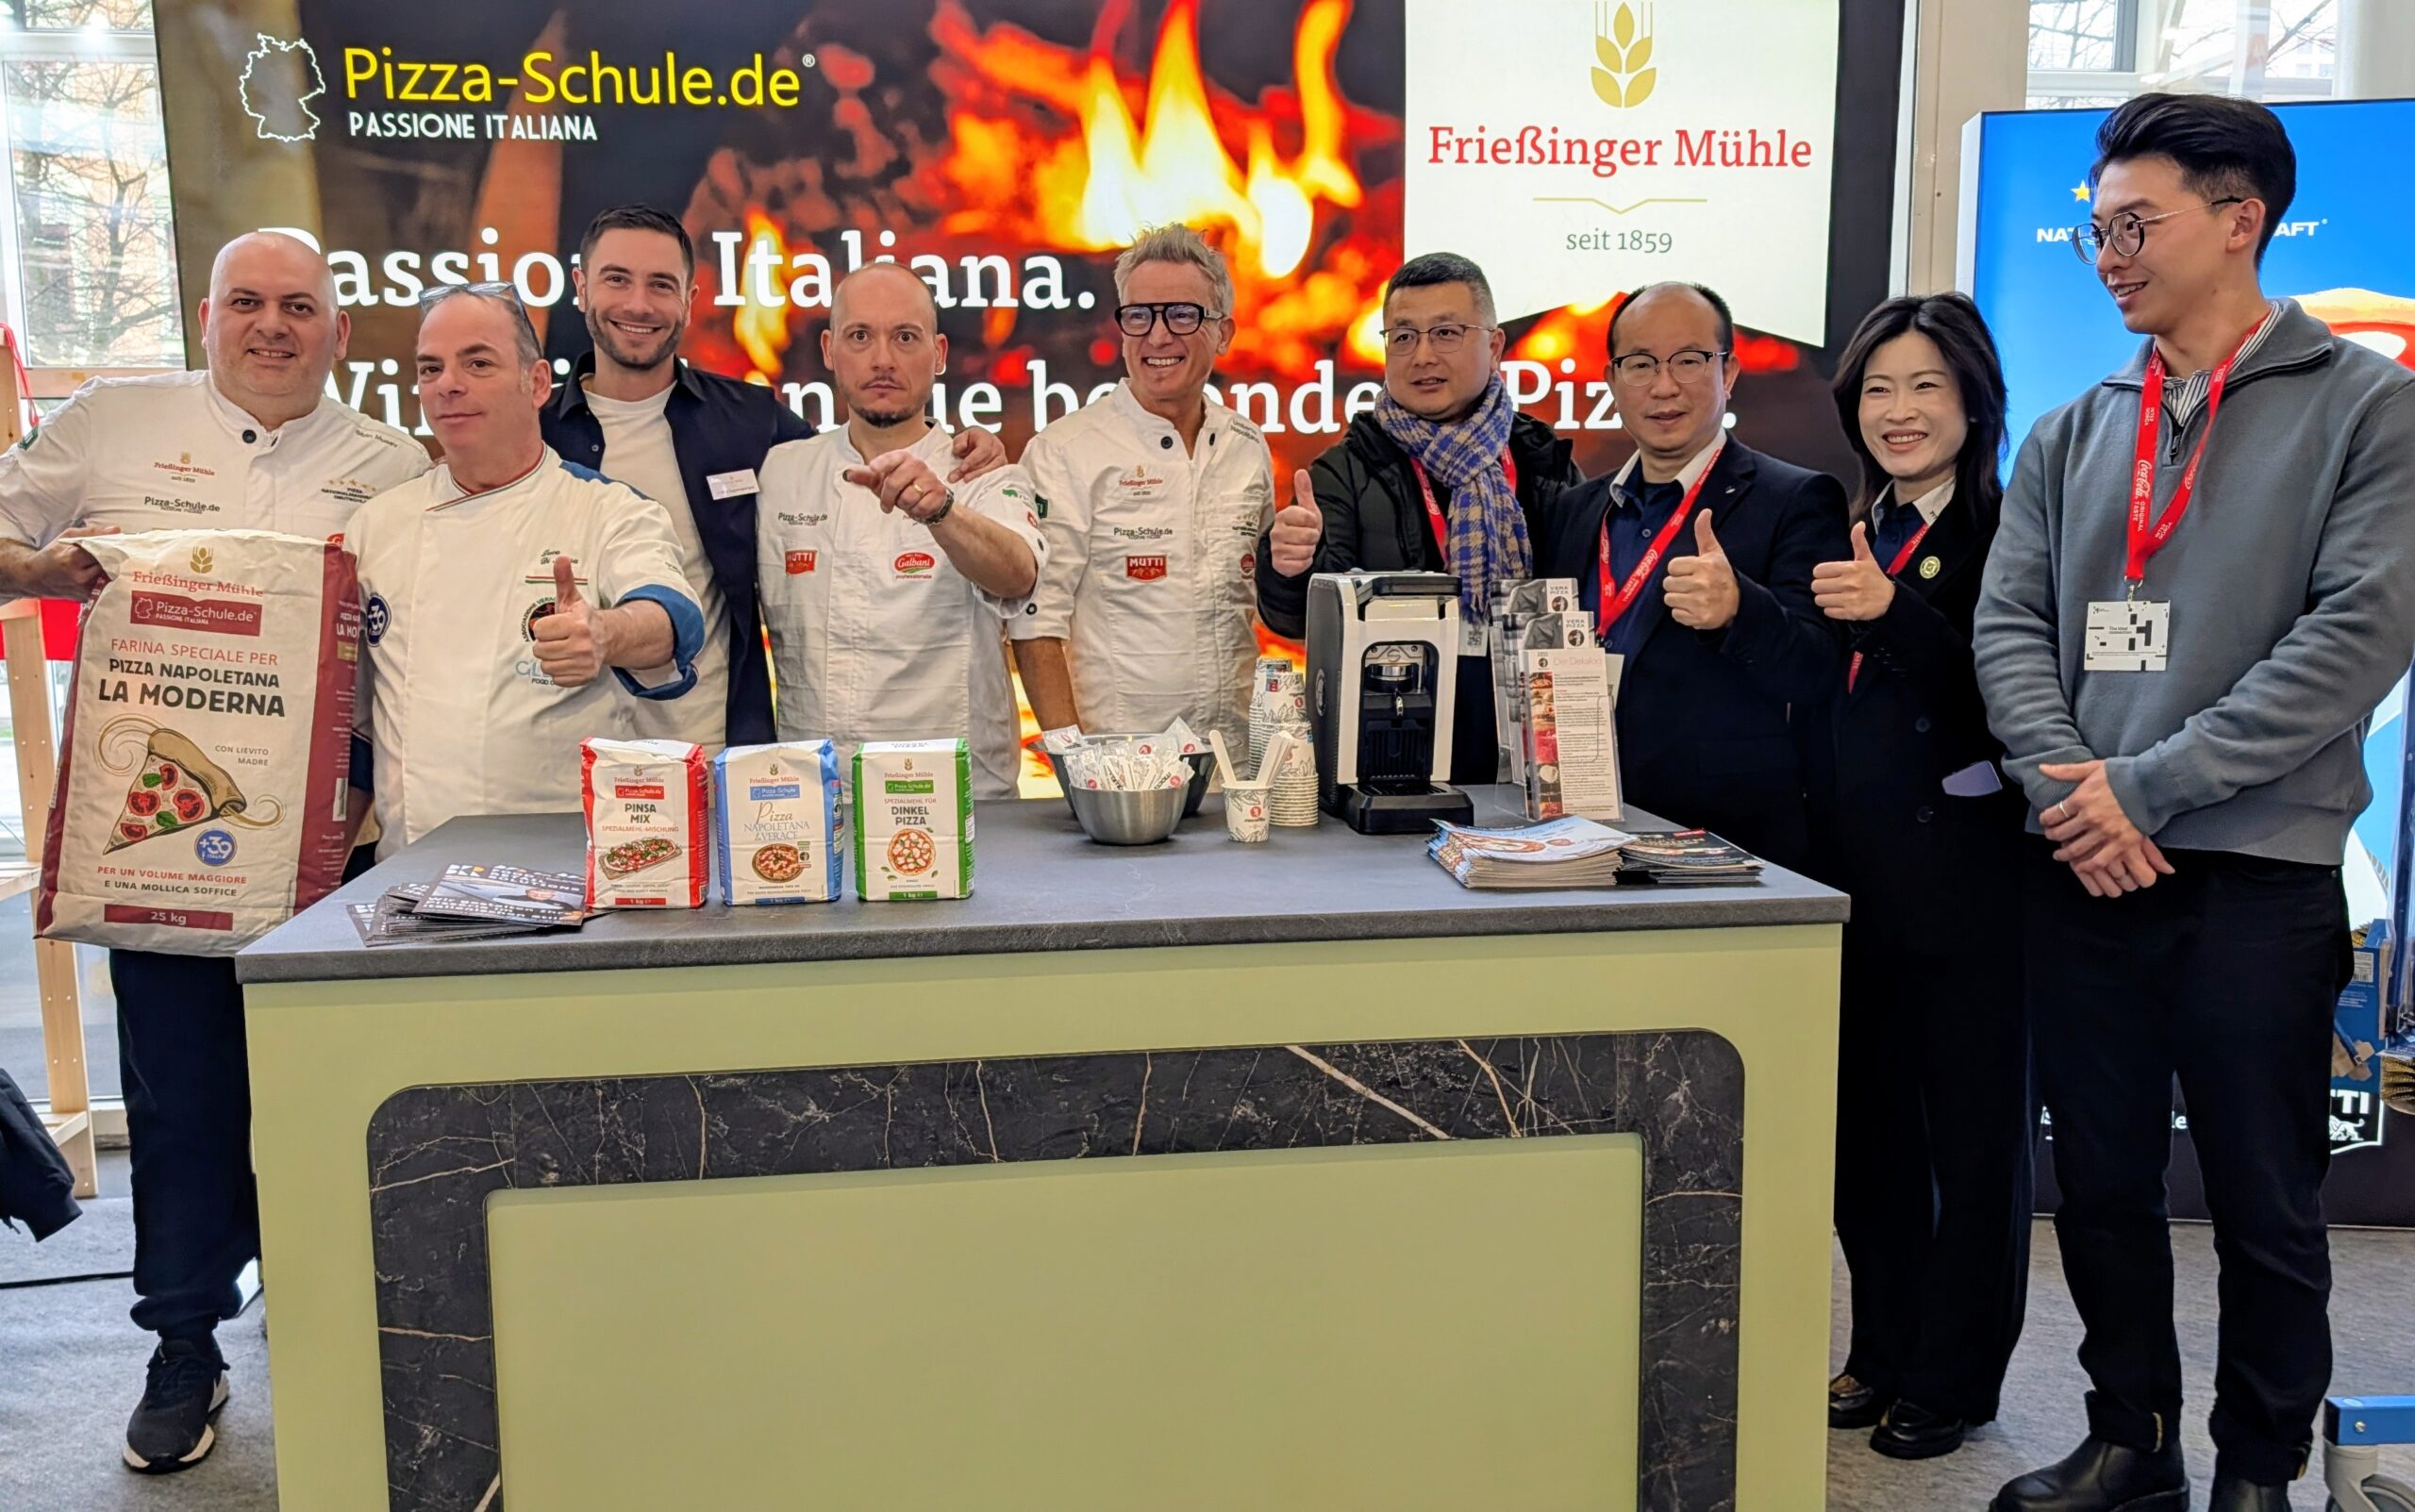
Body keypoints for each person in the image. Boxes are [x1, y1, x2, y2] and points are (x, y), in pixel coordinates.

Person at [1975, 94, 2415, 1512]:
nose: (2109, 256)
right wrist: (2076, 794)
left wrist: (2145, 788)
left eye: (2135, 225)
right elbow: (2008, 630)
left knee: (2264, 1199)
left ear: (2240, 220)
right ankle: (2132, 1438)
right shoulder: (2070, 431)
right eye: (2096, 231)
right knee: (2101, 1182)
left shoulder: (2368, 407)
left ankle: (2256, 1468)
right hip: (2082, 867)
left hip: (2254, 874)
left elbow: (2354, 640)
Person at [0, 232, 431, 1474]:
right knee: (182, 1104)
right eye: (248, 302)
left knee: (336, 1100)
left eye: (299, 306)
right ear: (206, 314)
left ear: (339, 331)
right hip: (163, 848)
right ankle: (184, 1343)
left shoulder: (392, 464)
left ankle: (343, 1323)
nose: (271, 325)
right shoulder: (112, 422)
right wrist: (43, 567)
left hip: (336, 852)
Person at [1802, 292, 2031, 1461]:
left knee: (1969, 1143)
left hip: (1967, 885)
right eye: (1878, 390)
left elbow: (2009, 701)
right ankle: (1883, 1345)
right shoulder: (1861, 523)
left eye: (1925, 386)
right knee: (1869, 1136)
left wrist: (1896, 614)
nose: (1899, 411)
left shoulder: (2010, 529)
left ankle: (1954, 1375)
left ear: (1974, 401)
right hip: (1856, 880)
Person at [542, 204, 1005, 750]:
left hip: (718, 752)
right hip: (567, 751)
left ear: (690, 301)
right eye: (617, 280)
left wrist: (960, 445)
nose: (639, 304)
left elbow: (856, 456)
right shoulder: (535, 433)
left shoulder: (752, 421)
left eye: (661, 284)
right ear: (581, 288)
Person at [351, 284, 702, 856]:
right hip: (413, 868)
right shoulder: (378, 526)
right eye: (431, 368)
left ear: (537, 383)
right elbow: (357, 721)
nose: (449, 384)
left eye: (478, 363)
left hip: (561, 866)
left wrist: (605, 633)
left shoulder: (608, 510)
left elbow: (673, 618)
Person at [1528, 281, 1846, 871]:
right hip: (1577, 830)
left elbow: (1818, 672)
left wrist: (1739, 611)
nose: (1664, 386)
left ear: (1729, 373)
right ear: (1612, 380)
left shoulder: (1795, 498)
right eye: (1641, 364)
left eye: (1689, 361)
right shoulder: (1576, 509)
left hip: (1719, 844)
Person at [1255, 252, 1580, 784]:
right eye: (1403, 337)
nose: (1422, 355)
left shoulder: (1543, 462)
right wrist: (1289, 569)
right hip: (1388, 765)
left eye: (1446, 333)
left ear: (1494, 345)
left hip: (1529, 764)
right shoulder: (1347, 470)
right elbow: (1300, 621)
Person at [755, 263, 1045, 796]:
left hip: (960, 798)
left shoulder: (983, 472)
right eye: (860, 336)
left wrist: (942, 511)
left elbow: (1018, 574)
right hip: (816, 797)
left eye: (905, 337)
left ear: (938, 353)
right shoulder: (782, 471)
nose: (882, 359)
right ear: (829, 350)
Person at [1010, 224, 1273, 745]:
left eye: (1182, 315)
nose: (1157, 336)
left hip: (1239, 765)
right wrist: (1076, 763)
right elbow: (1036, 626)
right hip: (1122, 769)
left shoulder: (1246, 445)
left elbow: (1264, 605)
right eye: (1138, 316)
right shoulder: (1065, 451)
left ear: (1223, 333)